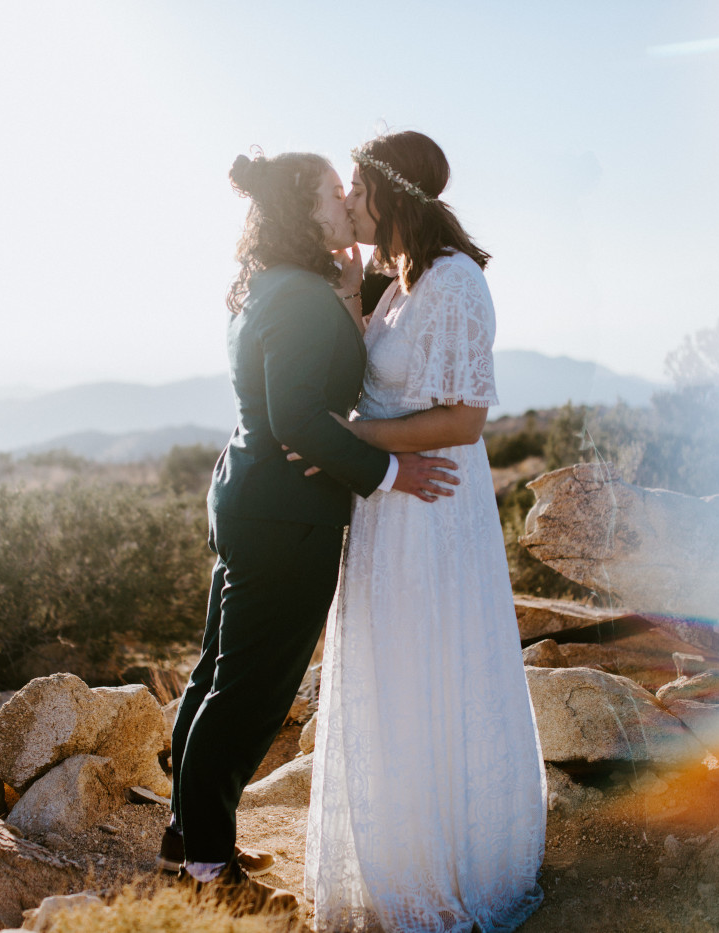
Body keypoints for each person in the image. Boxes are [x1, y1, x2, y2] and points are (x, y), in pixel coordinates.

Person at [160, 149, 460, 913]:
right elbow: (297, 417)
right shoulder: (296, 298)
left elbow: (307, 395)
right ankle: (204, 871)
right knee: (248, 697)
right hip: (285, 513)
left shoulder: (282, 284)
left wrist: (350, 292)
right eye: (335, 190)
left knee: (214, 678)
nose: (347, 198)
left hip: (254, 500)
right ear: (305, 210)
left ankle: (188, 840)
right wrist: (392, 474)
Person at [303, 131, 547, 932]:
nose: (347, 203)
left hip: (431, 508)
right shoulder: (396, 281)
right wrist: (346, 286)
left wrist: (350, 443)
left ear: (389, 195)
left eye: (357, 191)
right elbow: (370, 378)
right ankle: (393, 852)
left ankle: (450, 859)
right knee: (392, 671)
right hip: (385, 508)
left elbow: (467, 417)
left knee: (431, 668)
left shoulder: (455, 283)